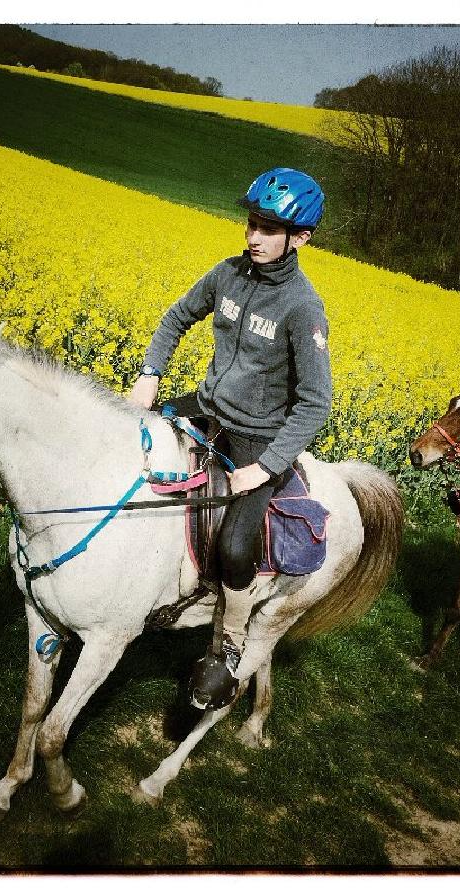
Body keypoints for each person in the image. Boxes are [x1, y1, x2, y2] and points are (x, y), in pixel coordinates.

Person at [129, 167, 332, 710]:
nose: (253, 237)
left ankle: (232, 647)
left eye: (268, 229)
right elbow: (176, 318)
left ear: (300, 238)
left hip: (257, 440)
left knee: (237, 547)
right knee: (131, 451)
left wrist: (265, 469)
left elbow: (315, 404)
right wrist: (150, 374)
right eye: (251, 224)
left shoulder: (302, 307)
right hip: (207, 409)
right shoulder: (226, 275)